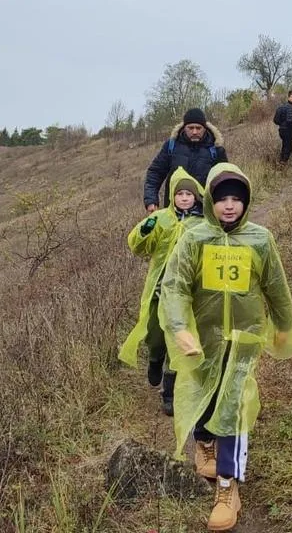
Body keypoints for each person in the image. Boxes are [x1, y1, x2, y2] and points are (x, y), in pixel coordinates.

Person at [160, 163, 292, 532]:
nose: (229, 206)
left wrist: (283, 327)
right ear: (210, 201)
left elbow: (276, 288)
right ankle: (203, 441)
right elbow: (174, 287)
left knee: (234, 404)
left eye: (237, 198)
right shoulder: (194, 238)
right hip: (203, 339)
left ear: (247, 202)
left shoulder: (259, 239)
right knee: (205, 394)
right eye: (222, 198)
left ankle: (227, 487)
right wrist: (178, 328)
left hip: (244, 340)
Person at [120, 167, 205, 416]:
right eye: (180, 194)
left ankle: (169, 393)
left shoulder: (202, 223)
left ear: (197, 196)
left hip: (187, 296)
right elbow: (138, 246)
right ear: (172, 196)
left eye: (189, 193)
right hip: (159, 292)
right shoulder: (161, 219)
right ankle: (154, 359)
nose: (185, 198)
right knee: (156, 338)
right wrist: (144, 231)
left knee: (178, 344)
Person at [142, 108, 227, 212]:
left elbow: (224, 180)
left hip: (204, 213)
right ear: (184, 127)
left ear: (205, 128)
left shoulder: (215, 149)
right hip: (174, 212)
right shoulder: (171, 146)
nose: (194, 132)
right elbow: (155, 172)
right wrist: (151, 200)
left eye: (198, 128)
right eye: (190, 128)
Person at [272, 91, 292, 163]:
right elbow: (290, 121)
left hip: (281, 131)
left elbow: (275, 120)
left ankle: (281, 162)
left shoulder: (281, 107)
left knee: (284, 147)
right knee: (289, 149)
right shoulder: (290, 107)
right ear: (288, 97)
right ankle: (283, 165)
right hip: (288, 131)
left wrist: (281, 125)